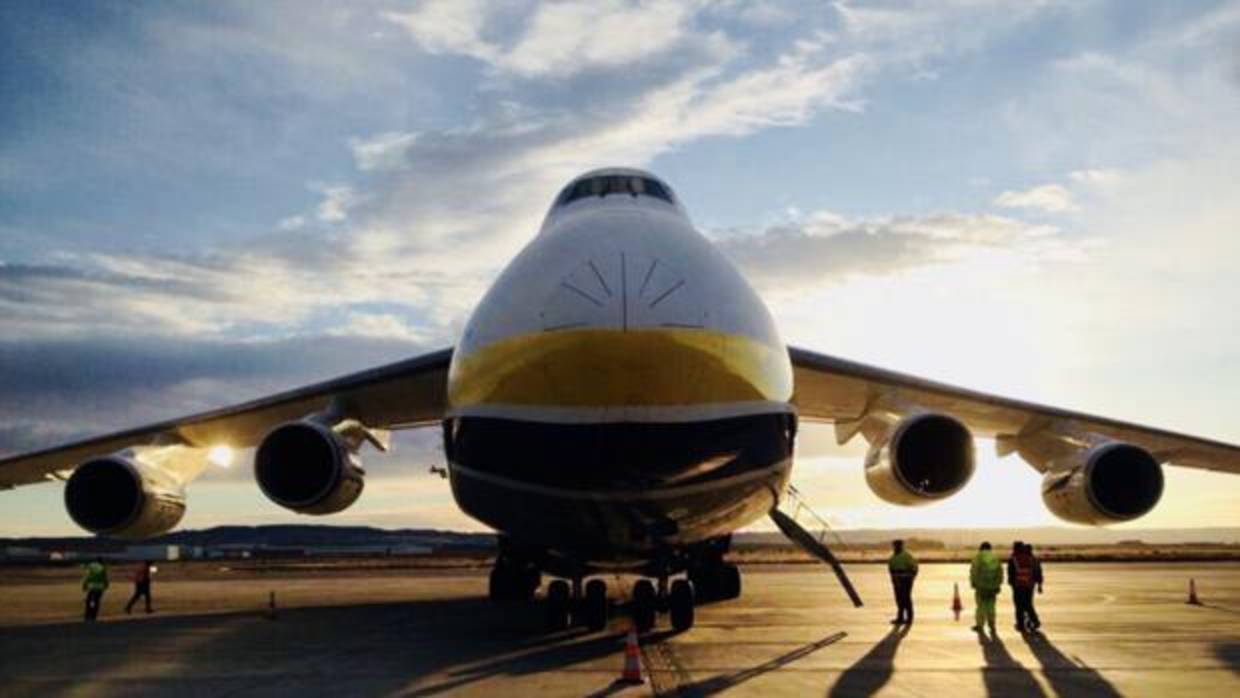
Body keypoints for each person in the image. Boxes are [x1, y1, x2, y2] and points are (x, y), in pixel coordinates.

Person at [969, 542, 1003, 635]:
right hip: (992, 587)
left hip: (981, 587)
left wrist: (973, 583)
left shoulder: (978, 558)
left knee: (981, 607)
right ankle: (992, 625)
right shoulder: (995, 558)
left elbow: (974, 571)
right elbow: (1000, 572)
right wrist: (998, 584)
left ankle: (980, 625)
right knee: (991, 607)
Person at [887, 539, 919, 625]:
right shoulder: (892, 557)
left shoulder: (907, 556)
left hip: (906, 580)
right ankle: (900, 618)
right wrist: (894, 579)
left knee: (906, 598)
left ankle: (909, 619)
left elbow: (915, 568)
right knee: (899, 599)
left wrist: (911, 577)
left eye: (898, 546)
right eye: (895, 546)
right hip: (897, 580)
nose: (896, 547)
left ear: (902, 546)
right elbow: (890, 569)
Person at [81, 557, 109, 622]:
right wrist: (106, 585)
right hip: (99, 588)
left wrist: (84, 585)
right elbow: (104, 578)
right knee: (96, 602)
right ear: (101, 561)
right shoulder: (103, 567)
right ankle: (93, 616)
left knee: (89, 601)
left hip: (91, 587)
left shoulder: (91, 566)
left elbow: (87, 576)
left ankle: (87, 615)